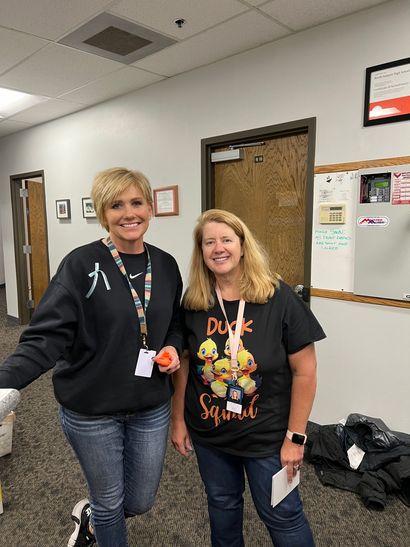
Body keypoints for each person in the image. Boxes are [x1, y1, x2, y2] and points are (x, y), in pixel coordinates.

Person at [0, 168, 183, 547]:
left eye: (136, 202)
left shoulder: (165, 265)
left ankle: (92, 519)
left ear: (150, 208)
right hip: (91, 410)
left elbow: (175, 324)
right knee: (110, 501)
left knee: (141, 499)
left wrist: (171, 347)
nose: (128, 213)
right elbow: (45, 336)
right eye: (116, 205)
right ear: (103, 213)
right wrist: (6, 379)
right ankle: (102, 523)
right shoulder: (81, 264)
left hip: (150, 404)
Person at [171, 209, 326, 547]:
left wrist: (295, 438)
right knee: (222, 508)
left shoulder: (278, 297)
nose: (218, 248)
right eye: (209, 242)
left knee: (283, 516)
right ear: (201, 252)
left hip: (267, 438)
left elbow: (306, 371)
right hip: (211, 435)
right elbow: (185, 364)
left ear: (242, 245)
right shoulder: (195, 302)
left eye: (226, 239)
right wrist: (178, 420)